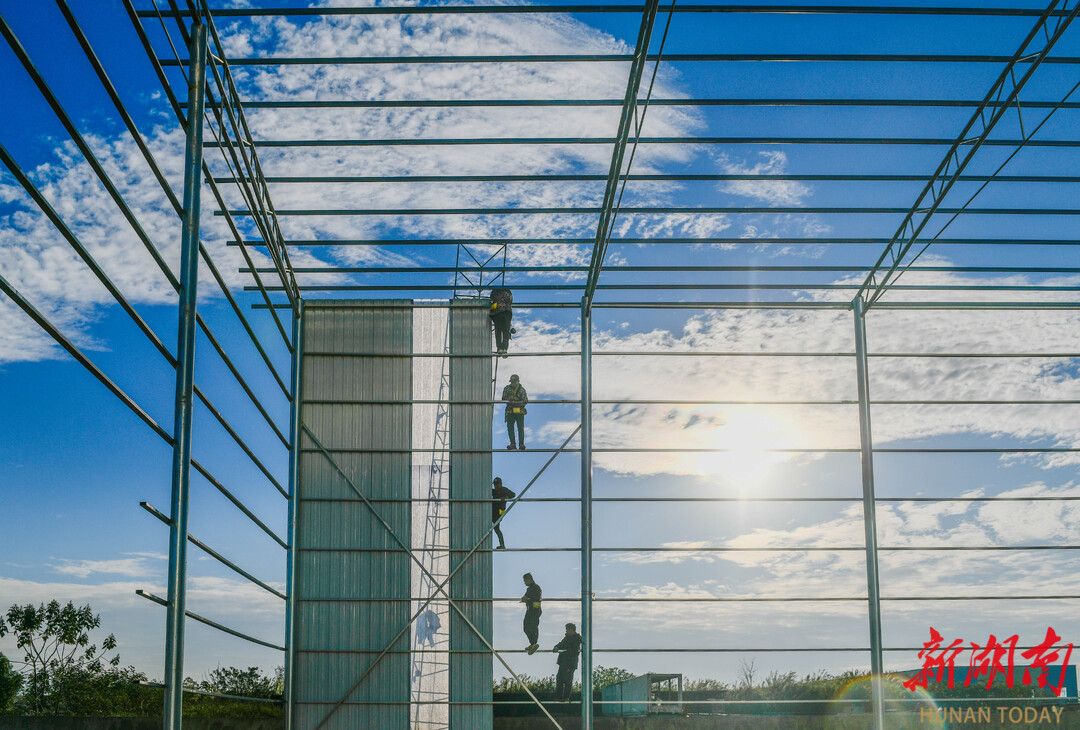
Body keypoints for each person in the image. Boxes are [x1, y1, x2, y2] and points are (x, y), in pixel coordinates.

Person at [552, 623, 583, 701]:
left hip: (570, 663)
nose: (566, 631)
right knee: (559, 678)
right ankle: (558, 697)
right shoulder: (567, 638)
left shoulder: (576, 639)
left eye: (567, 629)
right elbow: (561, 644)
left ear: (572, 630)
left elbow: (575, 652)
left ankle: (566, 697)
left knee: (567, 680)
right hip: (563, 662)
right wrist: (556, 647)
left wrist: (564, 651)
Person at [502, 374, 528, 450]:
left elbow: (524, 401)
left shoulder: (522, 390)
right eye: (512, 382)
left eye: (514, 382)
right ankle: (512, 444)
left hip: (520, 412)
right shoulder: (507, 388)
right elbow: (503, 398)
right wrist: (512, 398)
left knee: (520, 428)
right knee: (510, 428)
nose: (513, 383)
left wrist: (513, 401)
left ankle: (521, 444)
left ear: (518, 381)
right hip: (510, 411)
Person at [520, 573, 542, 654]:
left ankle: (534, 643)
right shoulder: (530, 588)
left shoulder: (536, 588)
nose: (525, 583)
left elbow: (536, 598)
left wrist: (527, 599)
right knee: (526, 627)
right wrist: (525, 599)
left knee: (533, 626)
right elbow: (525, 597)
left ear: (529, 579)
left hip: (535, 610)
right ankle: (532, 643)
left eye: (525, 581)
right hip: (530, 609)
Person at [492, 477, 516, 550]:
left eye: (497, 484)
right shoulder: (493, 491)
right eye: (494, 485)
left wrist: (506, 497)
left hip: (500, 511)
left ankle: (502, 545)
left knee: (496, 528)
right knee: (495, 528)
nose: (495, 486)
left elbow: (513, 495)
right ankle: (502, 545)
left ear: (501, 484)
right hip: (492, 511)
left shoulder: (504, 490)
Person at [489, 287, 514, 357]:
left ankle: (499, 348)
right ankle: (504, 348)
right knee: (506, 331)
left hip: (498, 313)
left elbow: (493, 306)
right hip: (507, 312)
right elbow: (511, 301)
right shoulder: (508, 293)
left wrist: (491, 315)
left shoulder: (495, 295)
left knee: (498, 331)